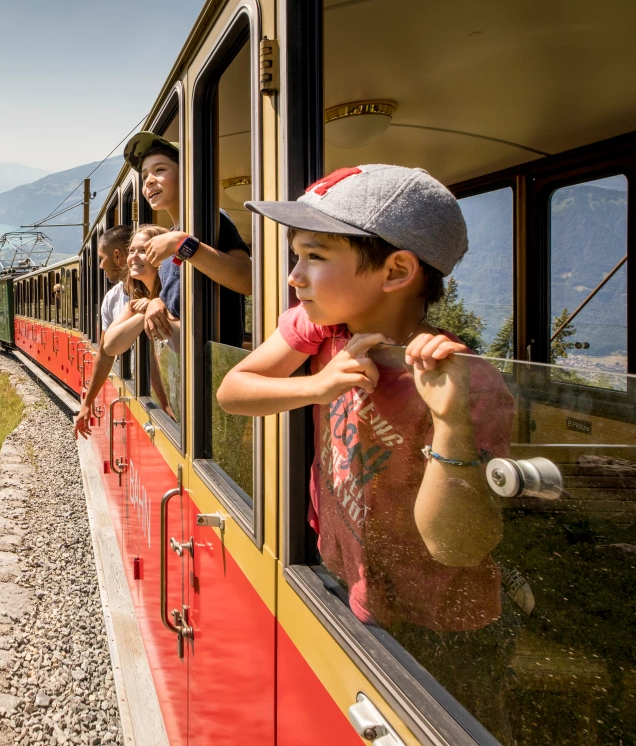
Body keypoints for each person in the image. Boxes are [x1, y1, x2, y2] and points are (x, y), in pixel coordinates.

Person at [216, 164, 517, 736]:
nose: (293, 278)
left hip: (441, 622)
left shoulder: (466, 385)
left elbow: (456, 547)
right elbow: (233, 392)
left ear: (396, 270)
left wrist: (450, 422)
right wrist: (318, 385)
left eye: (314, 256)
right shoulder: (321, 328)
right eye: (296, 256)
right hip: (343, 573)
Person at [121, 132, 253, 346]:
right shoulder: (170, 241)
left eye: (160, 170)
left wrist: (182, 244)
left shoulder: (211, 219)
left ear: (188, 174)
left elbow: (247, 279)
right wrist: (156, 302)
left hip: (213, 366)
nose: (149, 180)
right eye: (144, 177)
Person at [102, 224, 174, 413]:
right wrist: (144, 313)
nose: (134, 256)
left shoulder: (173, 298)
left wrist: (154, 304)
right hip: (166, 405)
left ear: (162, 256)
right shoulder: (137, 302)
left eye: (143, 250)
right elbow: (109, 346)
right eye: (132, 250)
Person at [73, 225, 131, 439]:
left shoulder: (151, 293)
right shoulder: (111, 299)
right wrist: (87, 403)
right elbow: (105, 353)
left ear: (117, 256)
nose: (100, 265)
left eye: (101, 258)